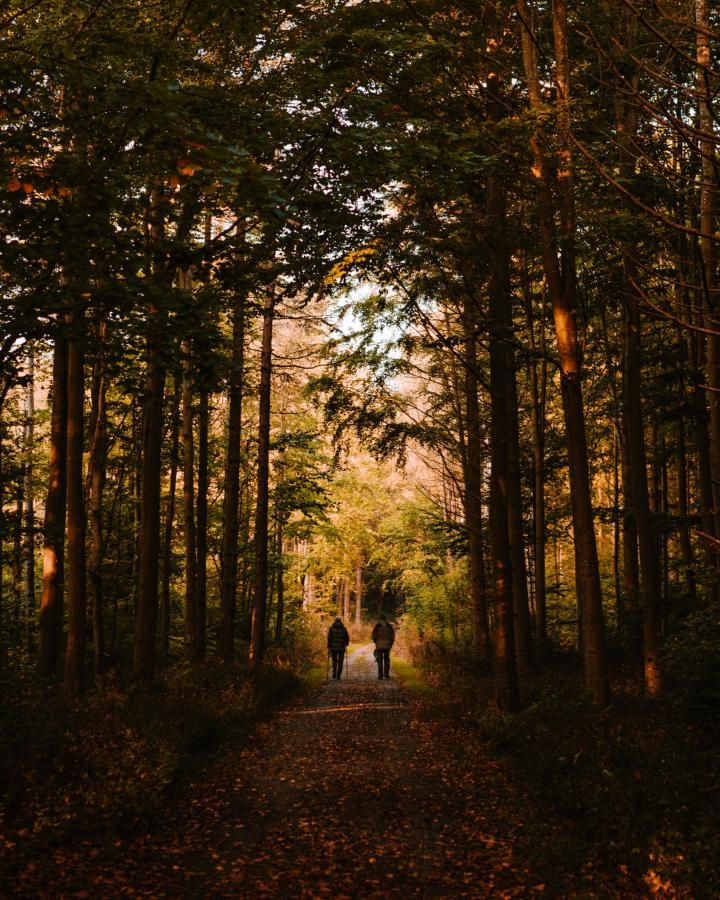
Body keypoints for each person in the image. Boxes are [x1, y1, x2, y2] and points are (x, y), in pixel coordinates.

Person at [371, 613, 395, 679]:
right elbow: (392, 636)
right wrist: (391, 643)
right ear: (385, 619)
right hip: (387, 646)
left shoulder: (377, 625)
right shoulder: (389, 626)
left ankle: (380, 676)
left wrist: (376, 642)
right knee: (387, 660)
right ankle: (386, 674)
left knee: (380, 660)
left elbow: (373, 635)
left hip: (379, 646)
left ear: (380, 619)